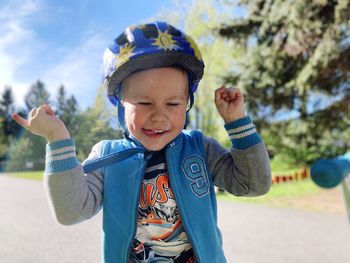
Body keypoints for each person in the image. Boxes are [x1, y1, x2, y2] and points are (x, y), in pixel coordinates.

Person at [12, 21, 271, 263]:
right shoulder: (107, 155)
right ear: (120, 106)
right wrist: (58, 140)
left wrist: (237, 123)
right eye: (144, 103)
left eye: (173, 103)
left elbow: (252, 184)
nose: (159, 116)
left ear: (187, 105)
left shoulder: (200, 148)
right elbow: (70, 212)